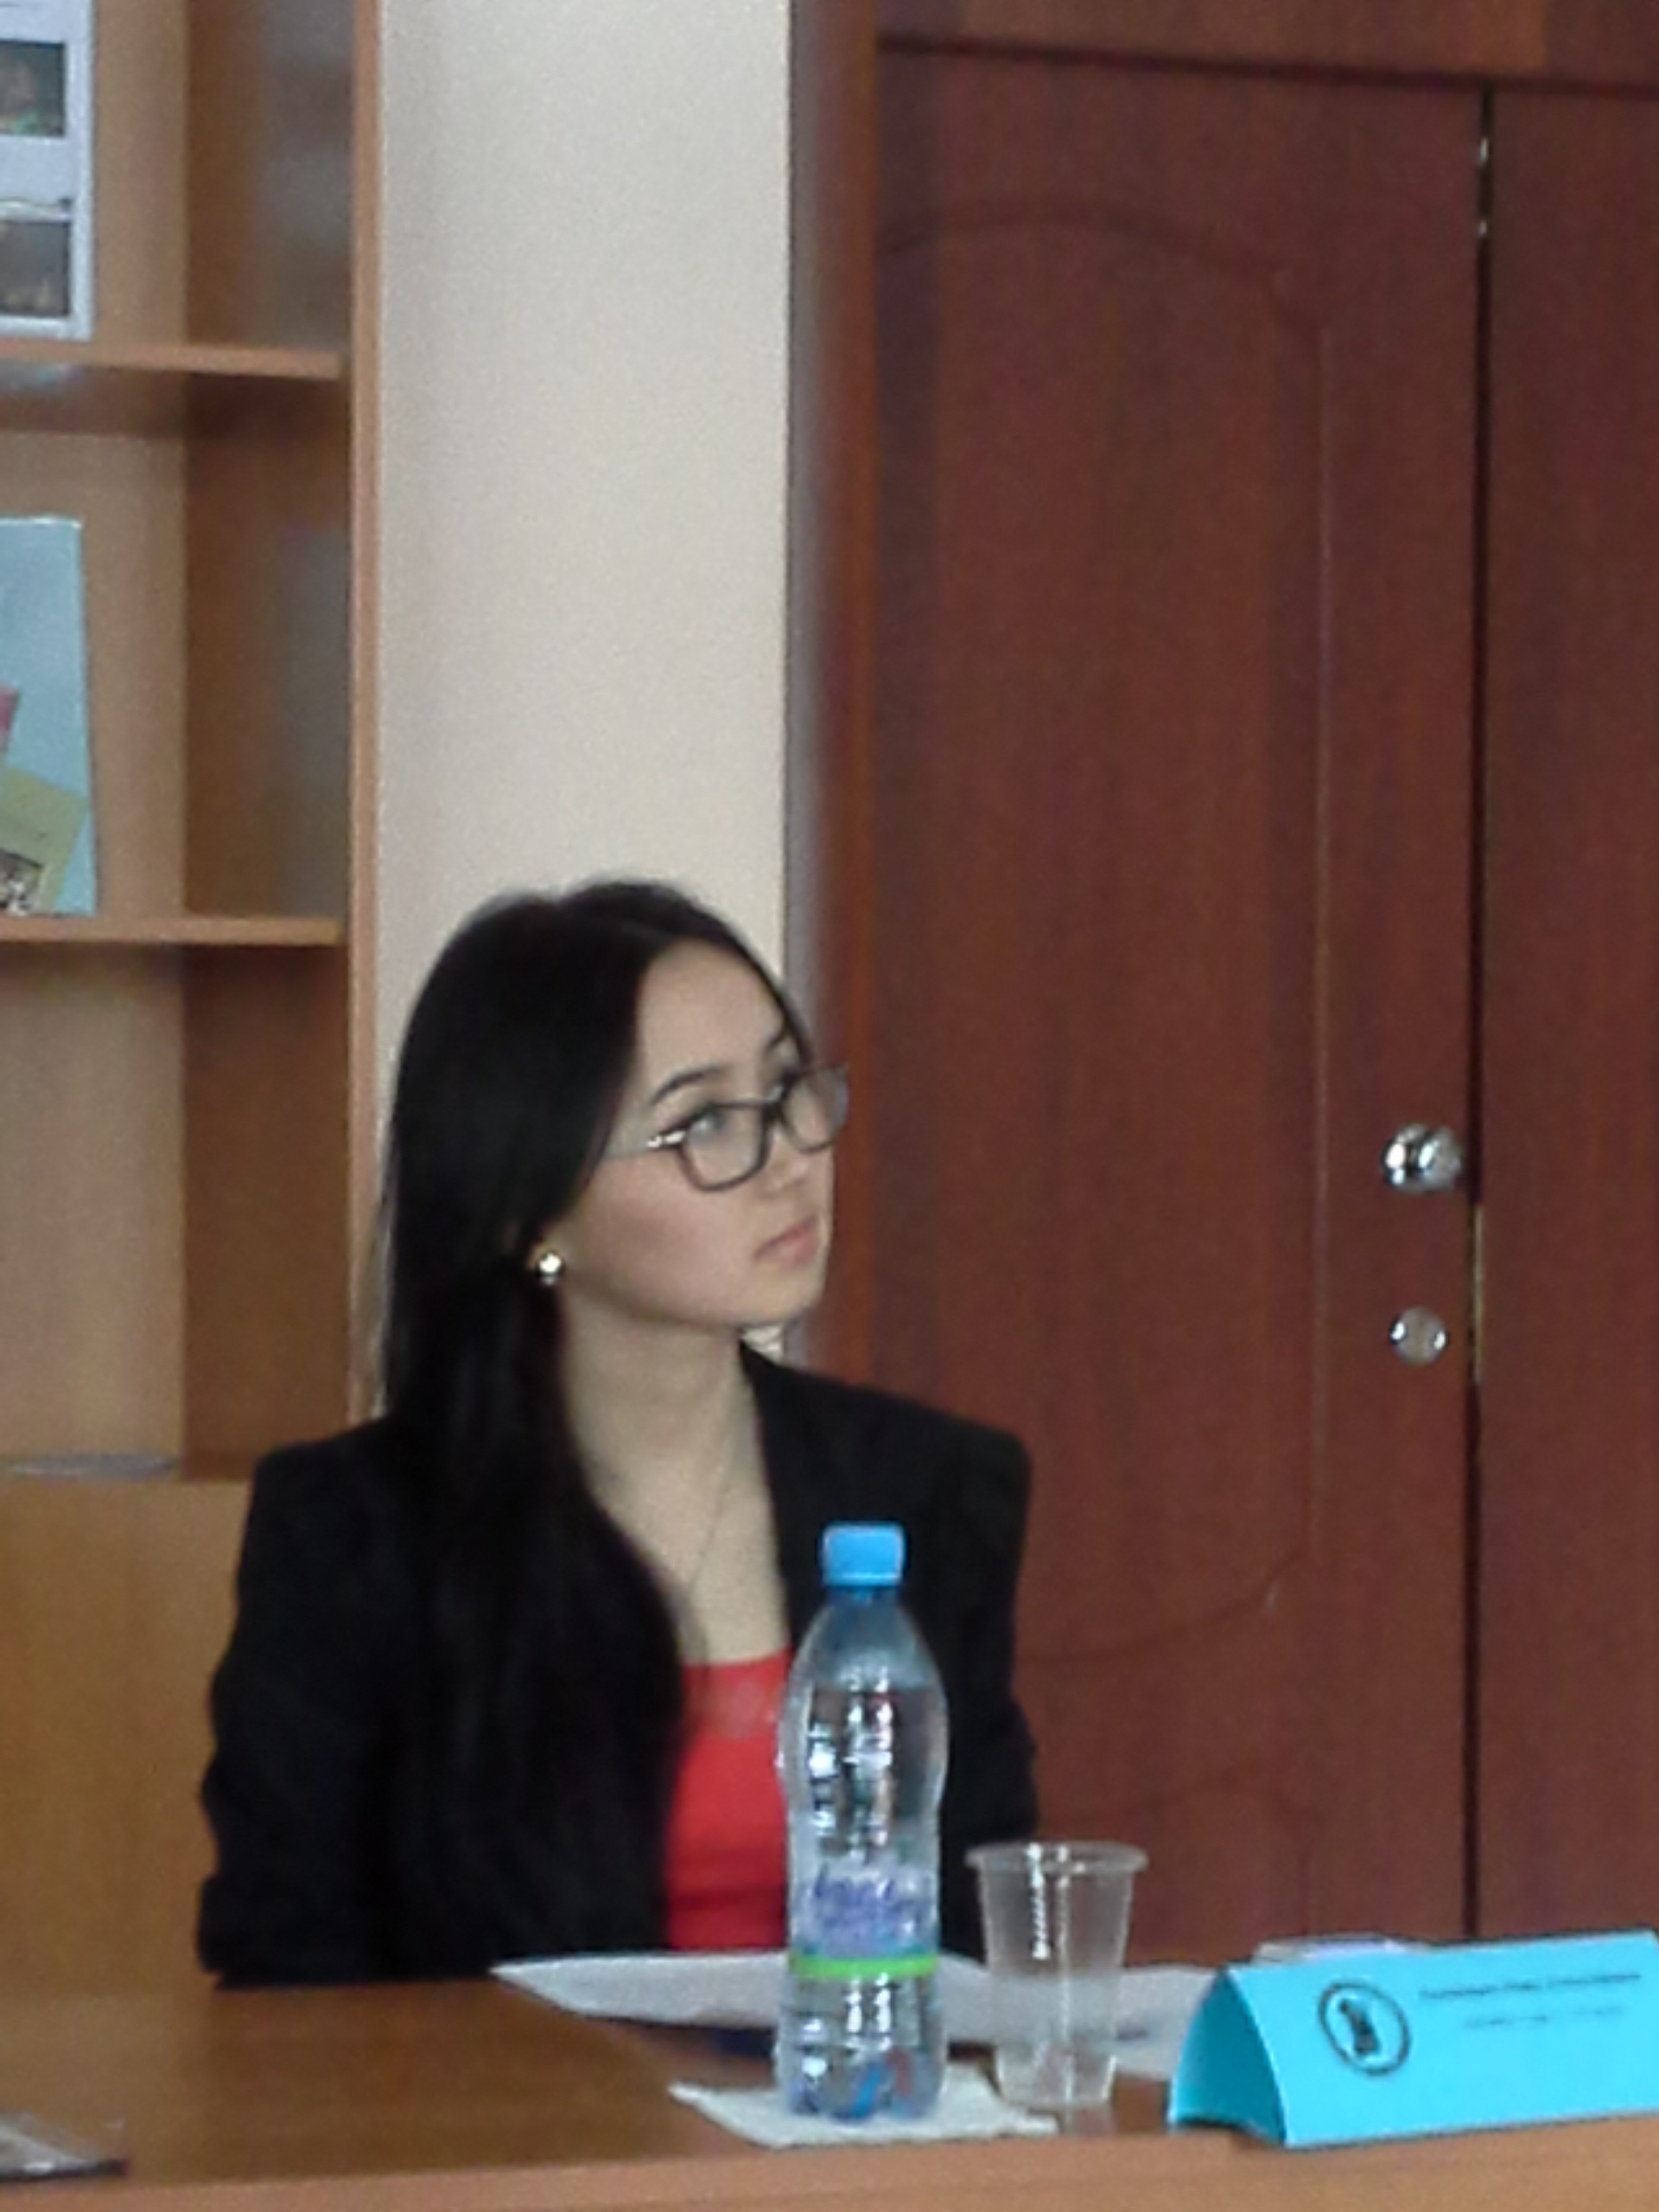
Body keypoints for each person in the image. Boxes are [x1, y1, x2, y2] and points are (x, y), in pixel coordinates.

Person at [197, 877, 1037, 1986]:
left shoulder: (931, 1488)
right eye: (706, 1123)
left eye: (789, 1090)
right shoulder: (354, 1539)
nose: (790, 1158)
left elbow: (979, 1938)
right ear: (531, 1209)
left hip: (855, 2095)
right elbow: (285, 1977)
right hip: (503, 2104)